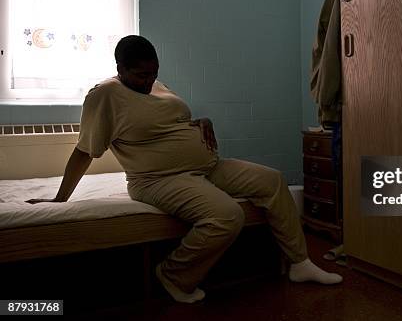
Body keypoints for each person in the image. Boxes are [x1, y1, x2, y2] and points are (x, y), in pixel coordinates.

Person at [27, 35, 342, 303]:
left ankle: (300, 263)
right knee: (227, 215)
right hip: (157, 179)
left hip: (208, 166)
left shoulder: (156, 85)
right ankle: (174, 275)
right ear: (120, 69)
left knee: (272, 180)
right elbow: (84, 151)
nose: (148, 80)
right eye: (140, 75)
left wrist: (199, 122)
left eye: (153, 73)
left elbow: (164, 122)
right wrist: (59, 199)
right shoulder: (104, 95)